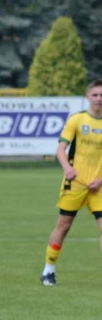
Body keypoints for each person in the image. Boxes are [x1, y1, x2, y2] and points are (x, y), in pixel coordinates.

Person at [40, 79, 102, 286]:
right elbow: (60, 149)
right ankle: (48, 269)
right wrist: (68, 168)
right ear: (88, 97)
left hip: (99, 185)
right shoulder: (77, 120)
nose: (99, 99)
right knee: (64, 225)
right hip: (75, 182)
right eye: (95, 95)